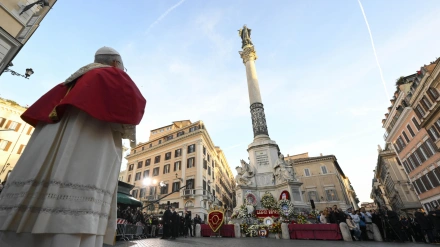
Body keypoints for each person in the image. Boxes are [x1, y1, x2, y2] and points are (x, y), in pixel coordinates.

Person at [0, 47, 146, 247]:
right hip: (89, 139)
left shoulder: (71, 81)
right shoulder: (111, 76)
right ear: (115, 64)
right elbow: (135, 105)